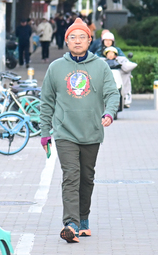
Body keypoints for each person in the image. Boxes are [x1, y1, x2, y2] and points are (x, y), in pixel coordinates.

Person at [40, 18, 120, 243]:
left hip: (92, 132)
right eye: (73, 37)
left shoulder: (100, 66)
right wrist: (45, 132)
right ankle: (71, 224)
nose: (77, 41)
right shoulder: (56, 67)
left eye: (82, 37)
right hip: (65, 132)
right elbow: (46, 101)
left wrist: (109, 113)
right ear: (66, 41)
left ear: (89, 40)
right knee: (71, 176)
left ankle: (83, 219)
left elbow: (112, 94)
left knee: (87, 178)